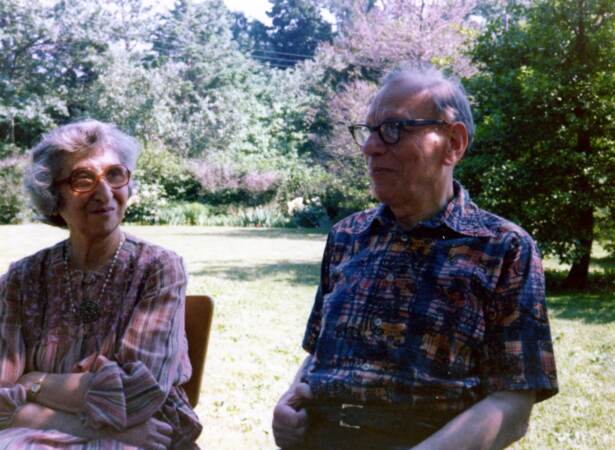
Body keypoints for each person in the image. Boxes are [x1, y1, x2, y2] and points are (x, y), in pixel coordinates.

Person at [272, 66, 558, 450]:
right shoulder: (347, 236)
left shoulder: (504, 248)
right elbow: (317, 356)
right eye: (368, 131)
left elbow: (514, 403)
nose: (369, 147)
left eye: (392, 130)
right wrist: (290, 401)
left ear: (453, 143)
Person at [0, 120, 202, 449]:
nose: (104, 193)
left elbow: (140, 395)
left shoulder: (157, 268)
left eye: (115, 175)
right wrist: (89, 427)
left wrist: (35, 381)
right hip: (52, 433)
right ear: (53, 194)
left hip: (146, 435)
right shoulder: (23, 279)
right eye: (83, 179)